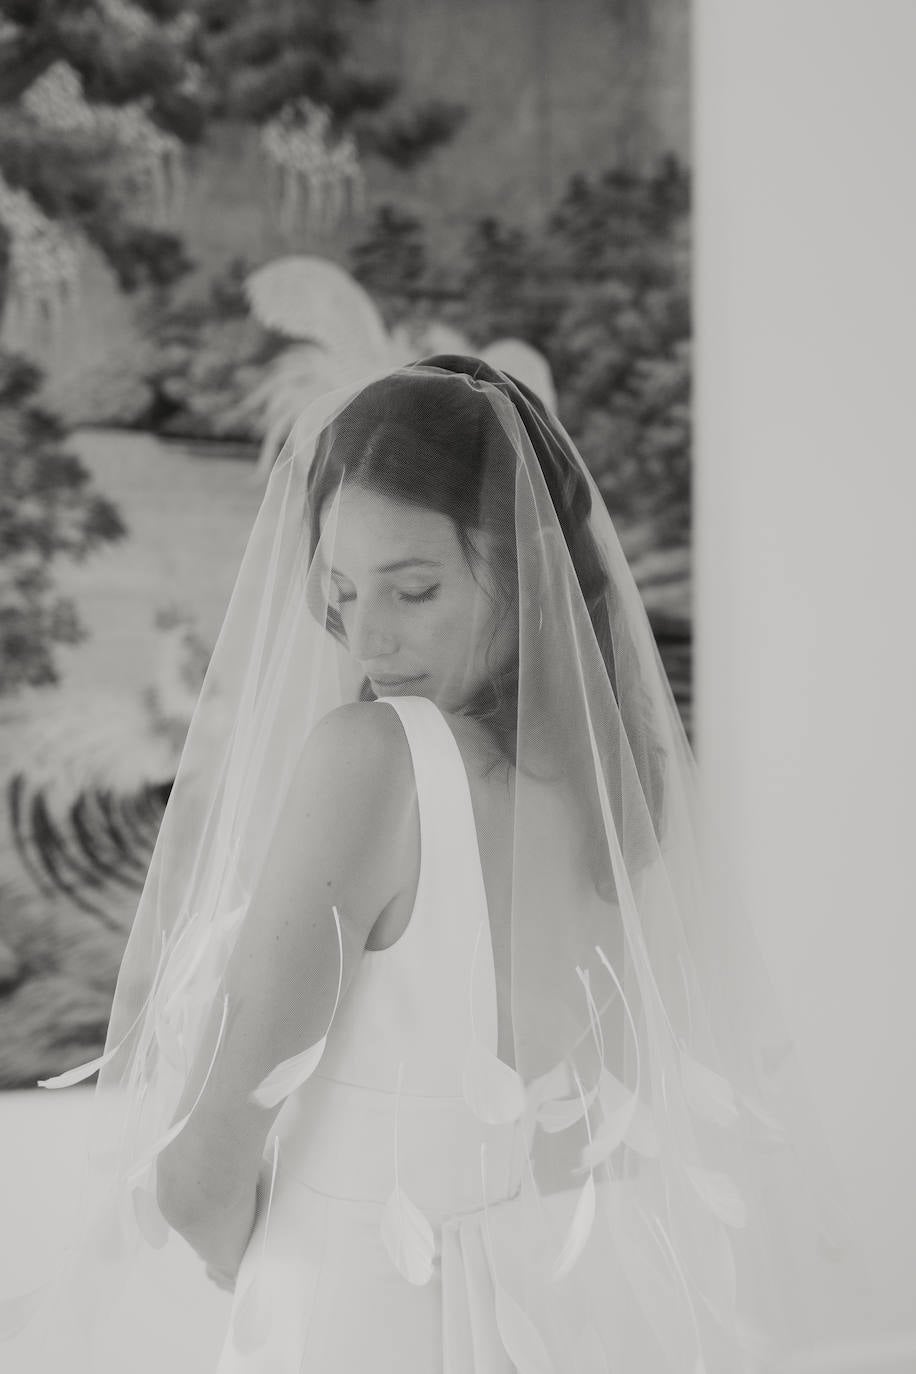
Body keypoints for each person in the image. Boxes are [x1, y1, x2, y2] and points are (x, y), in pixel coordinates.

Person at [1, 358, 871, 1372]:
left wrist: (308, 1280)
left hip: (362, 1325)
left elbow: (198, 1180)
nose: (367, 639)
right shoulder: (619, 787)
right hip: (562, 1322)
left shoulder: (373, 759)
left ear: (521, 568)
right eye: (339, 592)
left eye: (412, 589)